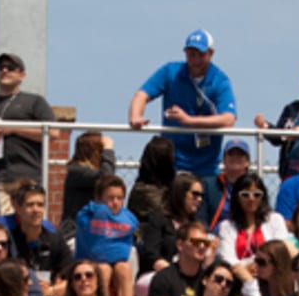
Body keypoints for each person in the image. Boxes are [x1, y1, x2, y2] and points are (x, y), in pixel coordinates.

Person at [128, 29, 238, 180]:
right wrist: (135, 116)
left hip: (207, 167)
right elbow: (142, 95)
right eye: (191, 54)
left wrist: (189, 121)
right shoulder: (170, 72)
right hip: (172, 164)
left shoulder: (220, 81)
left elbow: (229, 119)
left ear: (211, 53)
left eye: (201, 54)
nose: (196, 60)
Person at [0, 51, 56, 185]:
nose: (4, 70)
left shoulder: (34, 102)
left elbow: (53, 133)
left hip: (27, 177)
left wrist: (14, 129)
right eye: (1, 68)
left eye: (10, 68)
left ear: (22, 75)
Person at [74, 174, 137, 296]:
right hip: (89, 263)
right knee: (103, 269)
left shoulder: (126, 217)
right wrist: (96, 210)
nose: (115, 203)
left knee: (124, 269)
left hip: (118, 263)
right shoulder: (90, 213)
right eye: (110, 198)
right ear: (100, 199)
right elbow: (80, 220)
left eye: (119, 198)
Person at [1, 179, 72, 296]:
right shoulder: (8, 240)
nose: (36, 210)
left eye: (40, 205)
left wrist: (52, 290)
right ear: (18, 208)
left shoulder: (55, 239)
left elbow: (72, 278)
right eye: (30, 205)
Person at [217, 173, 289, 284]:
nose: (251, 199)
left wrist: (253, 266)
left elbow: (280, 251)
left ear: (263, 196)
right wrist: (247, 269)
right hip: (239, 281)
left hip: (271, 280)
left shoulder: (275, 220)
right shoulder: (226, 226)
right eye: (245, 194)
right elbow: (228, 258)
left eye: (257, 194)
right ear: (237, 197)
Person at [147, 221, 211, 296]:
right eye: (196, 242)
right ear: (180, 245)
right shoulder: (163, 279)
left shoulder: (208, 280)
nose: (202, 246)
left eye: (206, 243)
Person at [63, 131, 117, 225]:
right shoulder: (76, 171)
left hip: (96, 228)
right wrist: (108, 150)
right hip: (77, 230)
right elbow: (106, 178)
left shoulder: (90, 173)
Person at [201, 137, 251, 231]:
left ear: (247, 162)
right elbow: (201, 218)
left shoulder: (254, 187)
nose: (235, 157)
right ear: (223, 160)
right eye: (231, 154)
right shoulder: (209, 185)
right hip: (214, 239)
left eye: (240, 154)